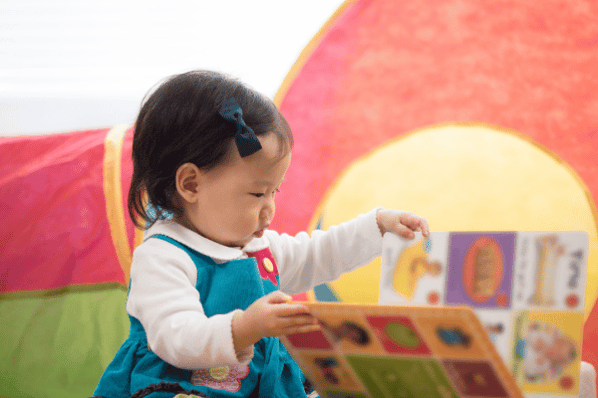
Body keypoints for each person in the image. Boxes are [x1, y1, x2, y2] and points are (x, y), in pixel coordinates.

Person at [93, 70, 429, 398]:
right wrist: (246, 328)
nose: (269, 209)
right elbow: (176, 337)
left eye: (275, 193)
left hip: (262, 382)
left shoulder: (258, 248)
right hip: (183, 383)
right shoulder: (163, 257)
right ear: (191, 184)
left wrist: (378, 226)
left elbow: (319, 255)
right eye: (257, 194)